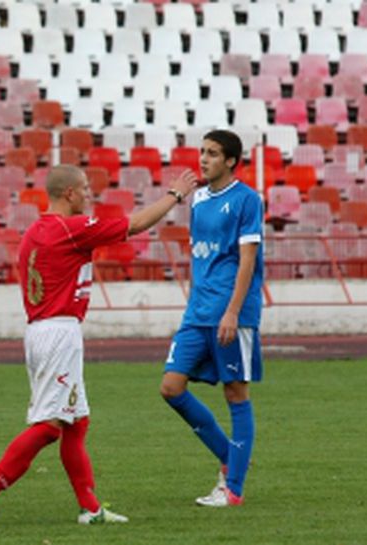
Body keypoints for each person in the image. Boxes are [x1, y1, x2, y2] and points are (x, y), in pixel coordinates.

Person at [0, 164, 198, 526]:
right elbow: (134, 225)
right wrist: (175, 195)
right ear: (70, 193)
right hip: (59, 332)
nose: (90, 195)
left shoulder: (35, 232)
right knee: (50, 426)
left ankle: (90, 509)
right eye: (86, 189)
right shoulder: (69, 229)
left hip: (44, 330)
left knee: (76, 423)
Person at [159, 129, 264, 507]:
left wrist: (233, 312)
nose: (204, 159)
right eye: (202, 152)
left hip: (232, 313)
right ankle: (230, 455)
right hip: (197, 313)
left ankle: (233, 488)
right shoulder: (198, 199)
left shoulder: (248, 200)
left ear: (231, 161)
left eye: (213, 154)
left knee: (236, 392)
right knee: (171, 387)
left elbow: (247, 260)